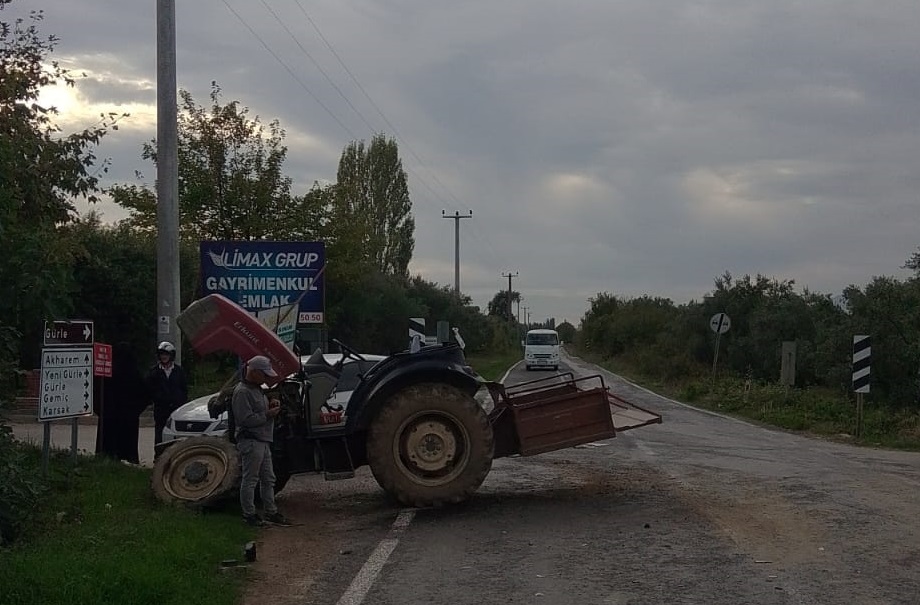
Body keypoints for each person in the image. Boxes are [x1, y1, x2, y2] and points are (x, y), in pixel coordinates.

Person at [231, 355, 291, 527]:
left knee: (268, 478)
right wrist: (268, 415)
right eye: (264, 374)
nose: (266, 378)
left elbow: (258, 408)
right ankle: (249, 515)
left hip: (262, 440)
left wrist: (271, 402)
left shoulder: (255, 389)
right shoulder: (242, 392)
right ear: (254, 372)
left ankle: (271, 511)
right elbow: (245, 420)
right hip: (251, 441)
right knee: (250, 479)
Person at [97, 343, 148, 464]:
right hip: (128, 417)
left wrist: (101, 411)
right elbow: (145, 395)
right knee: (128, 445)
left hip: (109, 415)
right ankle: (129, 459)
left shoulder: (107, 373)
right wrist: (135, 411)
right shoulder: (134, 373)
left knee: (108, 443)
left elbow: (97, 393)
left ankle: (108, 457)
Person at [146, 341, 188, 448]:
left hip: (176, 408)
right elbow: (150, 389)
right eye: (162, 354)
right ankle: (158, 455)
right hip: (161, 408)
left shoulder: (179, 371)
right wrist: (158, 399)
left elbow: (183, 388)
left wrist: (180, 401)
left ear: (171, 355)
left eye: (166, 354)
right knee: (159, 432)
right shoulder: (154, 372)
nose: (164, 357)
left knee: (175, 433)